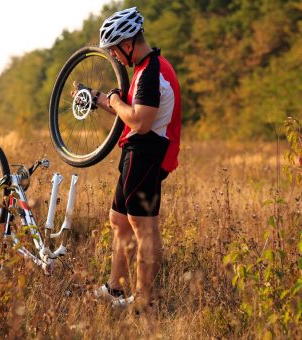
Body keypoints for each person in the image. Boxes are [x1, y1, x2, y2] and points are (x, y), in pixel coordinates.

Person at [76, 7, 181, 311]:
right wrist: (97, 98)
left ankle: (144, 302)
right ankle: (114, 290)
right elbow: (131, 110)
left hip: (147, 153)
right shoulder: (147, 68)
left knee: (142, 227)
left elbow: (141, 121)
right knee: (119, 220)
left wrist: (115, 99)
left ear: (127, 44)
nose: (115, 57)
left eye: (115, 50)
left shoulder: (150, 74)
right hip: (136, 152)